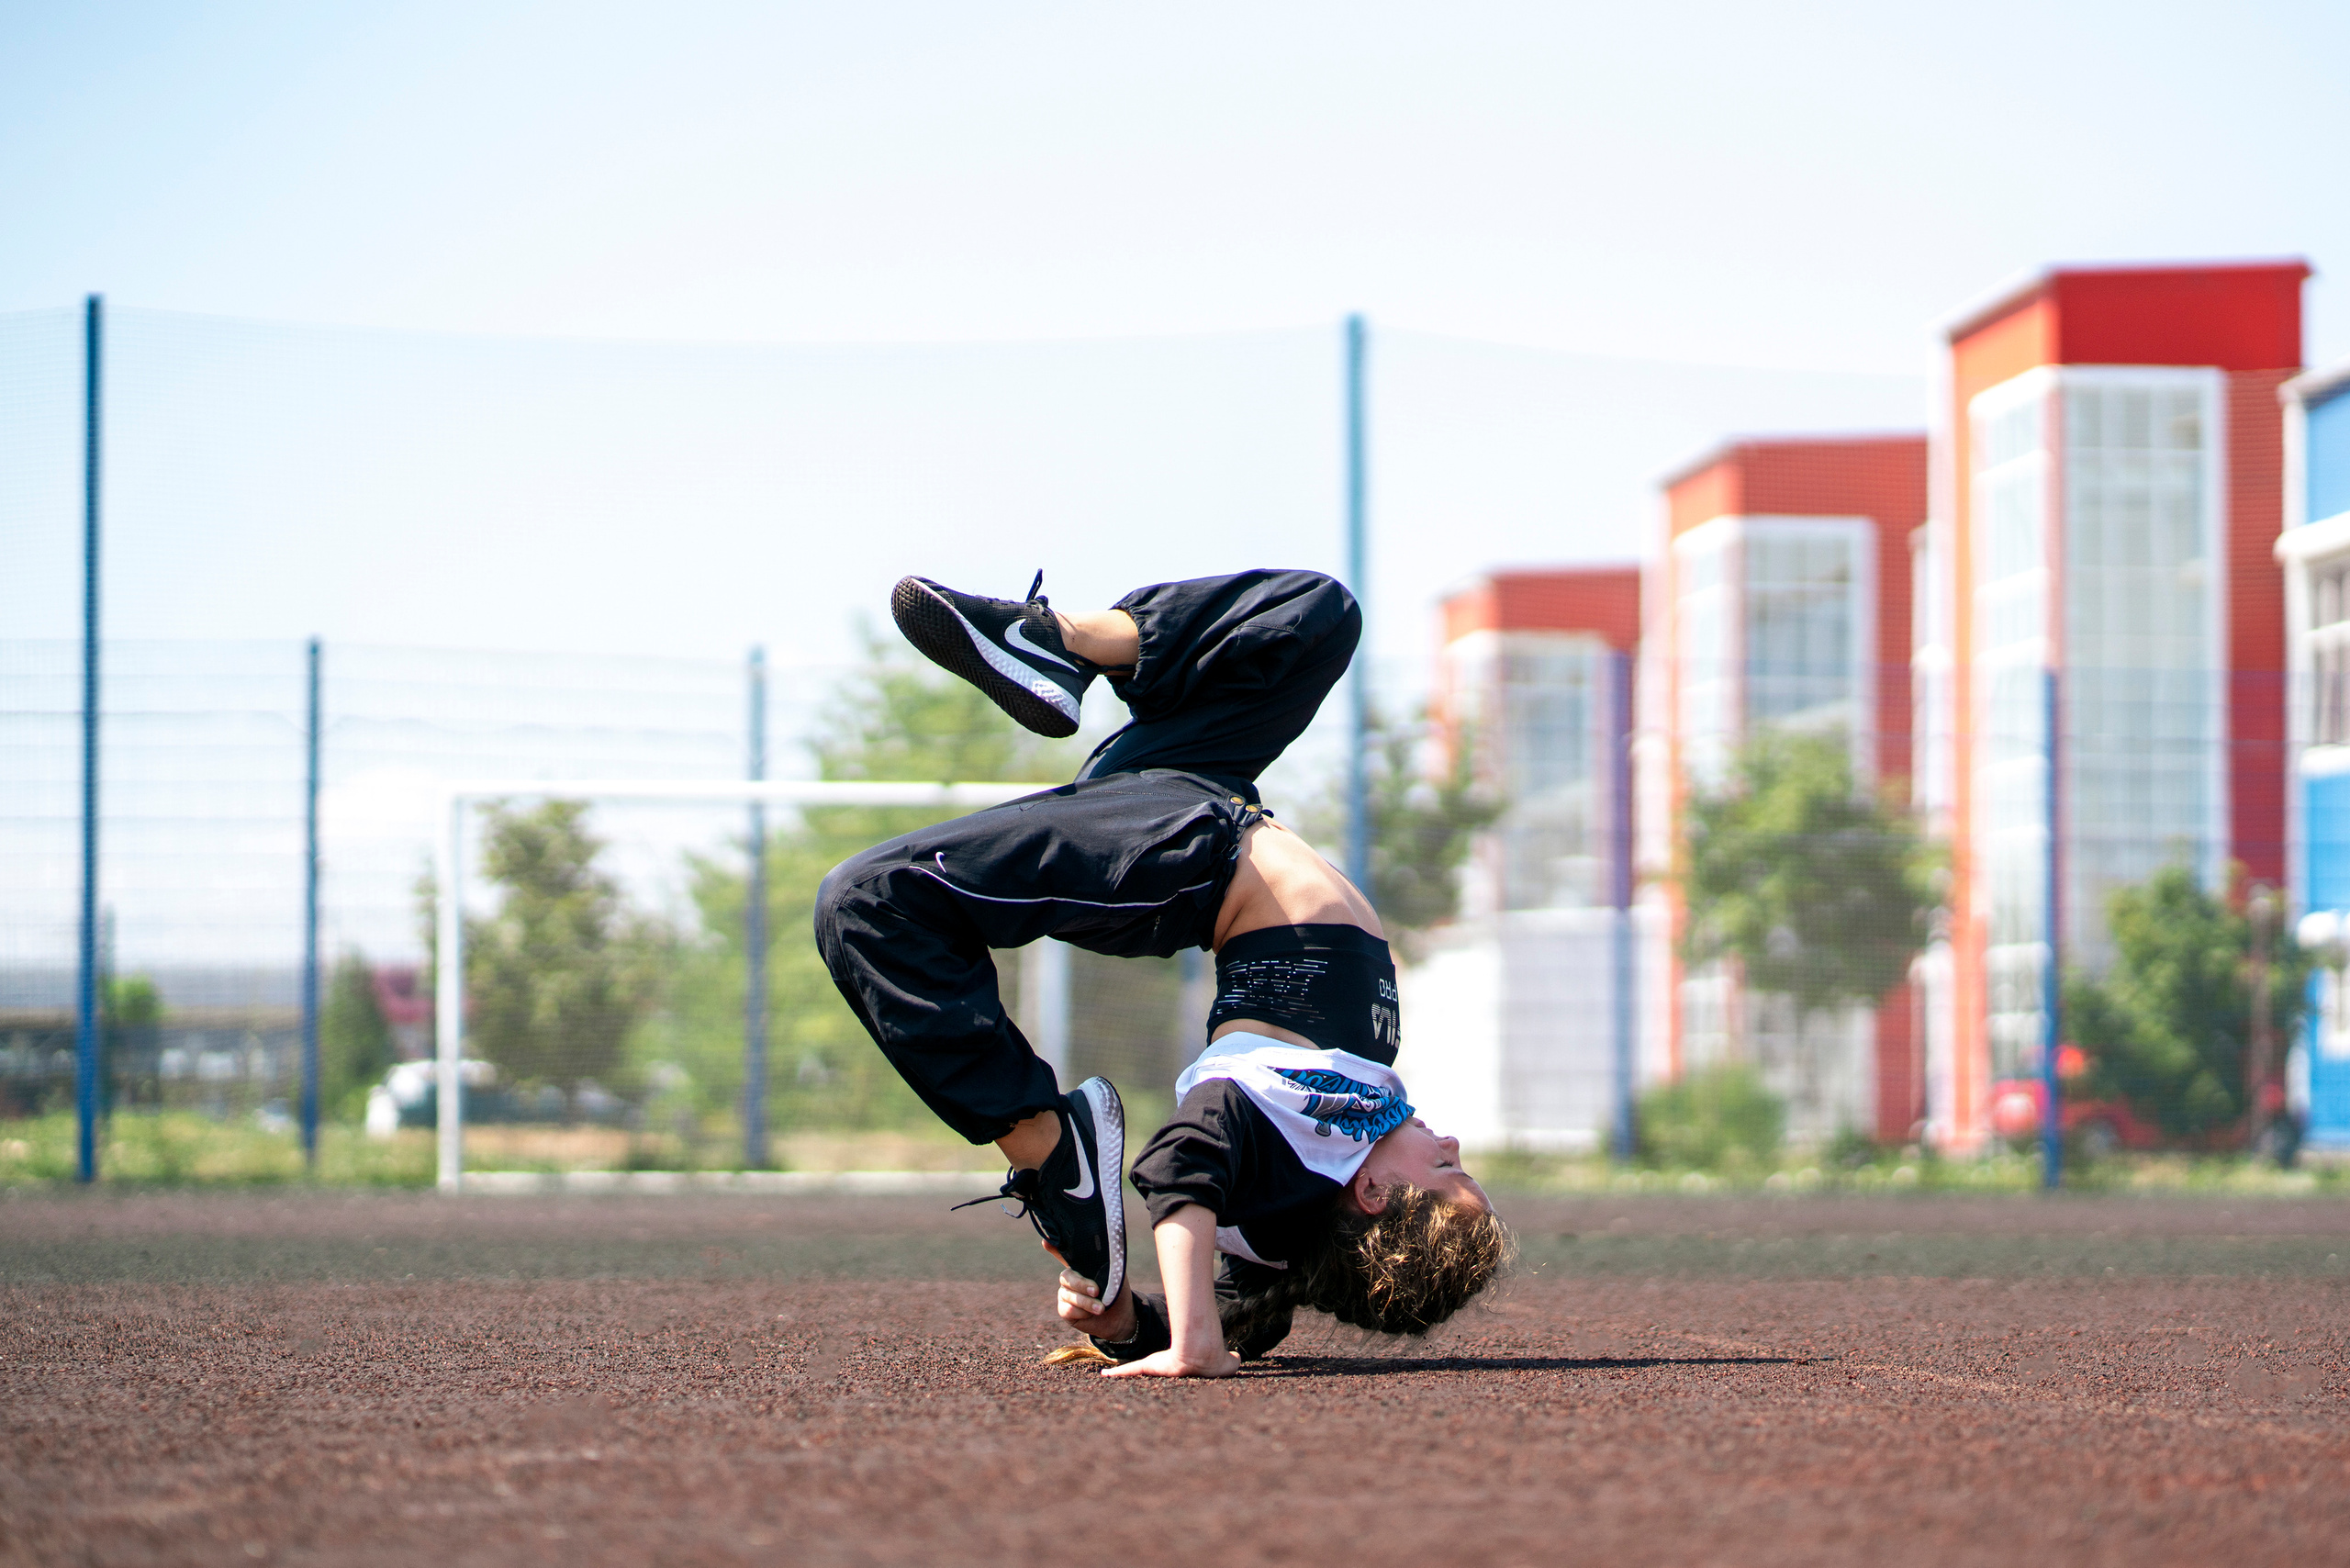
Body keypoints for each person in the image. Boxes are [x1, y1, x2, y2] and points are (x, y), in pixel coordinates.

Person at [814, 568, 1511, 1379]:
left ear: (1377, 1197)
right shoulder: (1293, 1205)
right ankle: (1057, 645)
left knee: (868, 900)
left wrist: (1193, 1347)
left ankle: (1049, 1150)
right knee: (1315, 617)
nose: (1453, 1142)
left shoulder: (1303, 1127)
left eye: (1447, 1168)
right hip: (1199, 794)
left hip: (1185, 854)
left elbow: (1184, 1160)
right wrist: (1127, 1322)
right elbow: (1248, 1305)